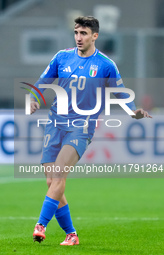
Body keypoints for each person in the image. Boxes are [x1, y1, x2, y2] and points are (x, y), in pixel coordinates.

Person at [30, 16, 151, 246]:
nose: (78, 37)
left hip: (81, 126)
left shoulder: (105, 64)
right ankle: (72, 234)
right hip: (55, 123)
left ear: (95, 36)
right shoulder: (61, 57)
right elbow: (42, 82)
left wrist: (133, 111)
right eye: (76, 32)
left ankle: (41, 225)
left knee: (58, 176)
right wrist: (34, 99)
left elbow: (121, 93)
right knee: (51, 183)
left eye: (84, 33)